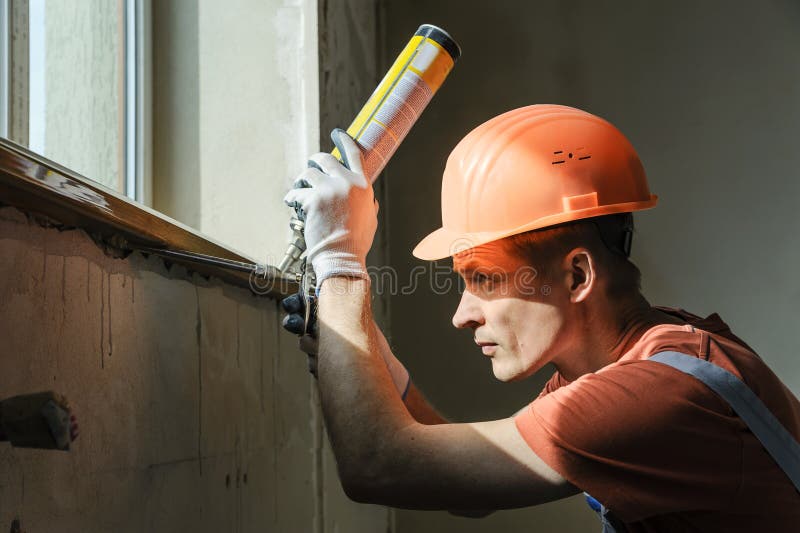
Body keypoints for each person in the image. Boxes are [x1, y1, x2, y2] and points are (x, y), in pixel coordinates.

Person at [282, 104, 800, 532]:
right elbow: (467, 486)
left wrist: (342, 263)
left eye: (484, 278)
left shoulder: (652, 396)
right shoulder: (639, 356)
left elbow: (380, 467)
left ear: (577, 276)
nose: (462, 315)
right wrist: (362, 348)